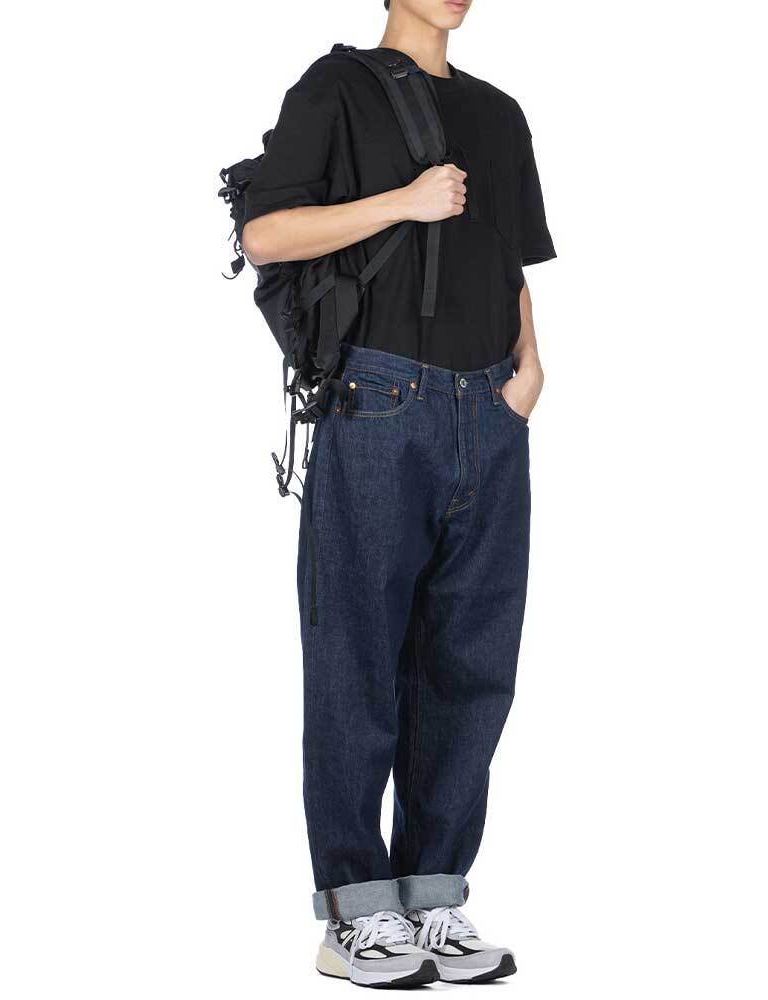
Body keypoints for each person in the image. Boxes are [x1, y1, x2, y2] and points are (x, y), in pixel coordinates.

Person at [242, 0, 555, 987]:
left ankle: (433, 896)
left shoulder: (499, 112)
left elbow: (511, 257)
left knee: (472, 665)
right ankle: (355, 913)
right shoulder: (335, 87)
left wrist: (531, 369)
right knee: (358, 663)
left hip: (488, 406)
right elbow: (267, 233)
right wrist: (403, 202)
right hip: (377, 400)